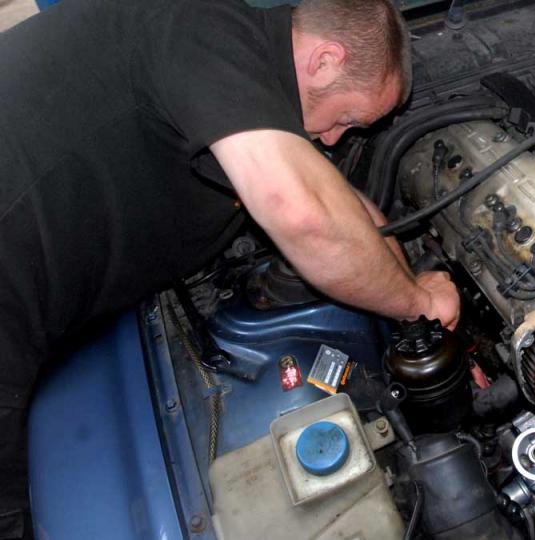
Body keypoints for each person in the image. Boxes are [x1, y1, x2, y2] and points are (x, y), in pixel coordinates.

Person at [0, 0, 459, 535]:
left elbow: (343, 206)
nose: (337, 139)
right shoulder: (199, 23)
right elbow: (303, 213)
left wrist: (418, 320)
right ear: (325, 60)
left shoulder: (238, 65)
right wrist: (418, 301)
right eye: (347, 119)